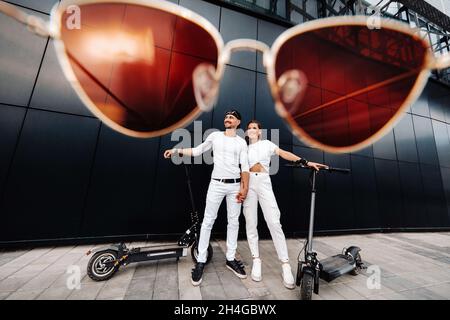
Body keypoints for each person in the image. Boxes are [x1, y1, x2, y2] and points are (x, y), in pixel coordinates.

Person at [164, 110, 250, 286]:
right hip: (216, 184)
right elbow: (197, 151)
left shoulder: (242, 142)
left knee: (233, 222)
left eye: (231, 117)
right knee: (208, 221)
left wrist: (244, 188)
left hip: (235, 186)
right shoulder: (215, 136)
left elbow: (245, 167)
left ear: (238, 122)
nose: (227, 119)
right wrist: (176, 150)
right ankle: (201, 260)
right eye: (226, 116)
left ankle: (231, 259)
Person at [243, 120, 327, 289]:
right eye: (249, 128)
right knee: (251, 223)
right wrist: (242, 188)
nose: (251, 130)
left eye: (254, 128)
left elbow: (284, 153)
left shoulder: (266, 144)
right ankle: (256, 260)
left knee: (274, 222)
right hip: (248, 184)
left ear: (259, 132)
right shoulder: (243, 148)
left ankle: (285, 265)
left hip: (264, 182)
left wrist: (305, 162)